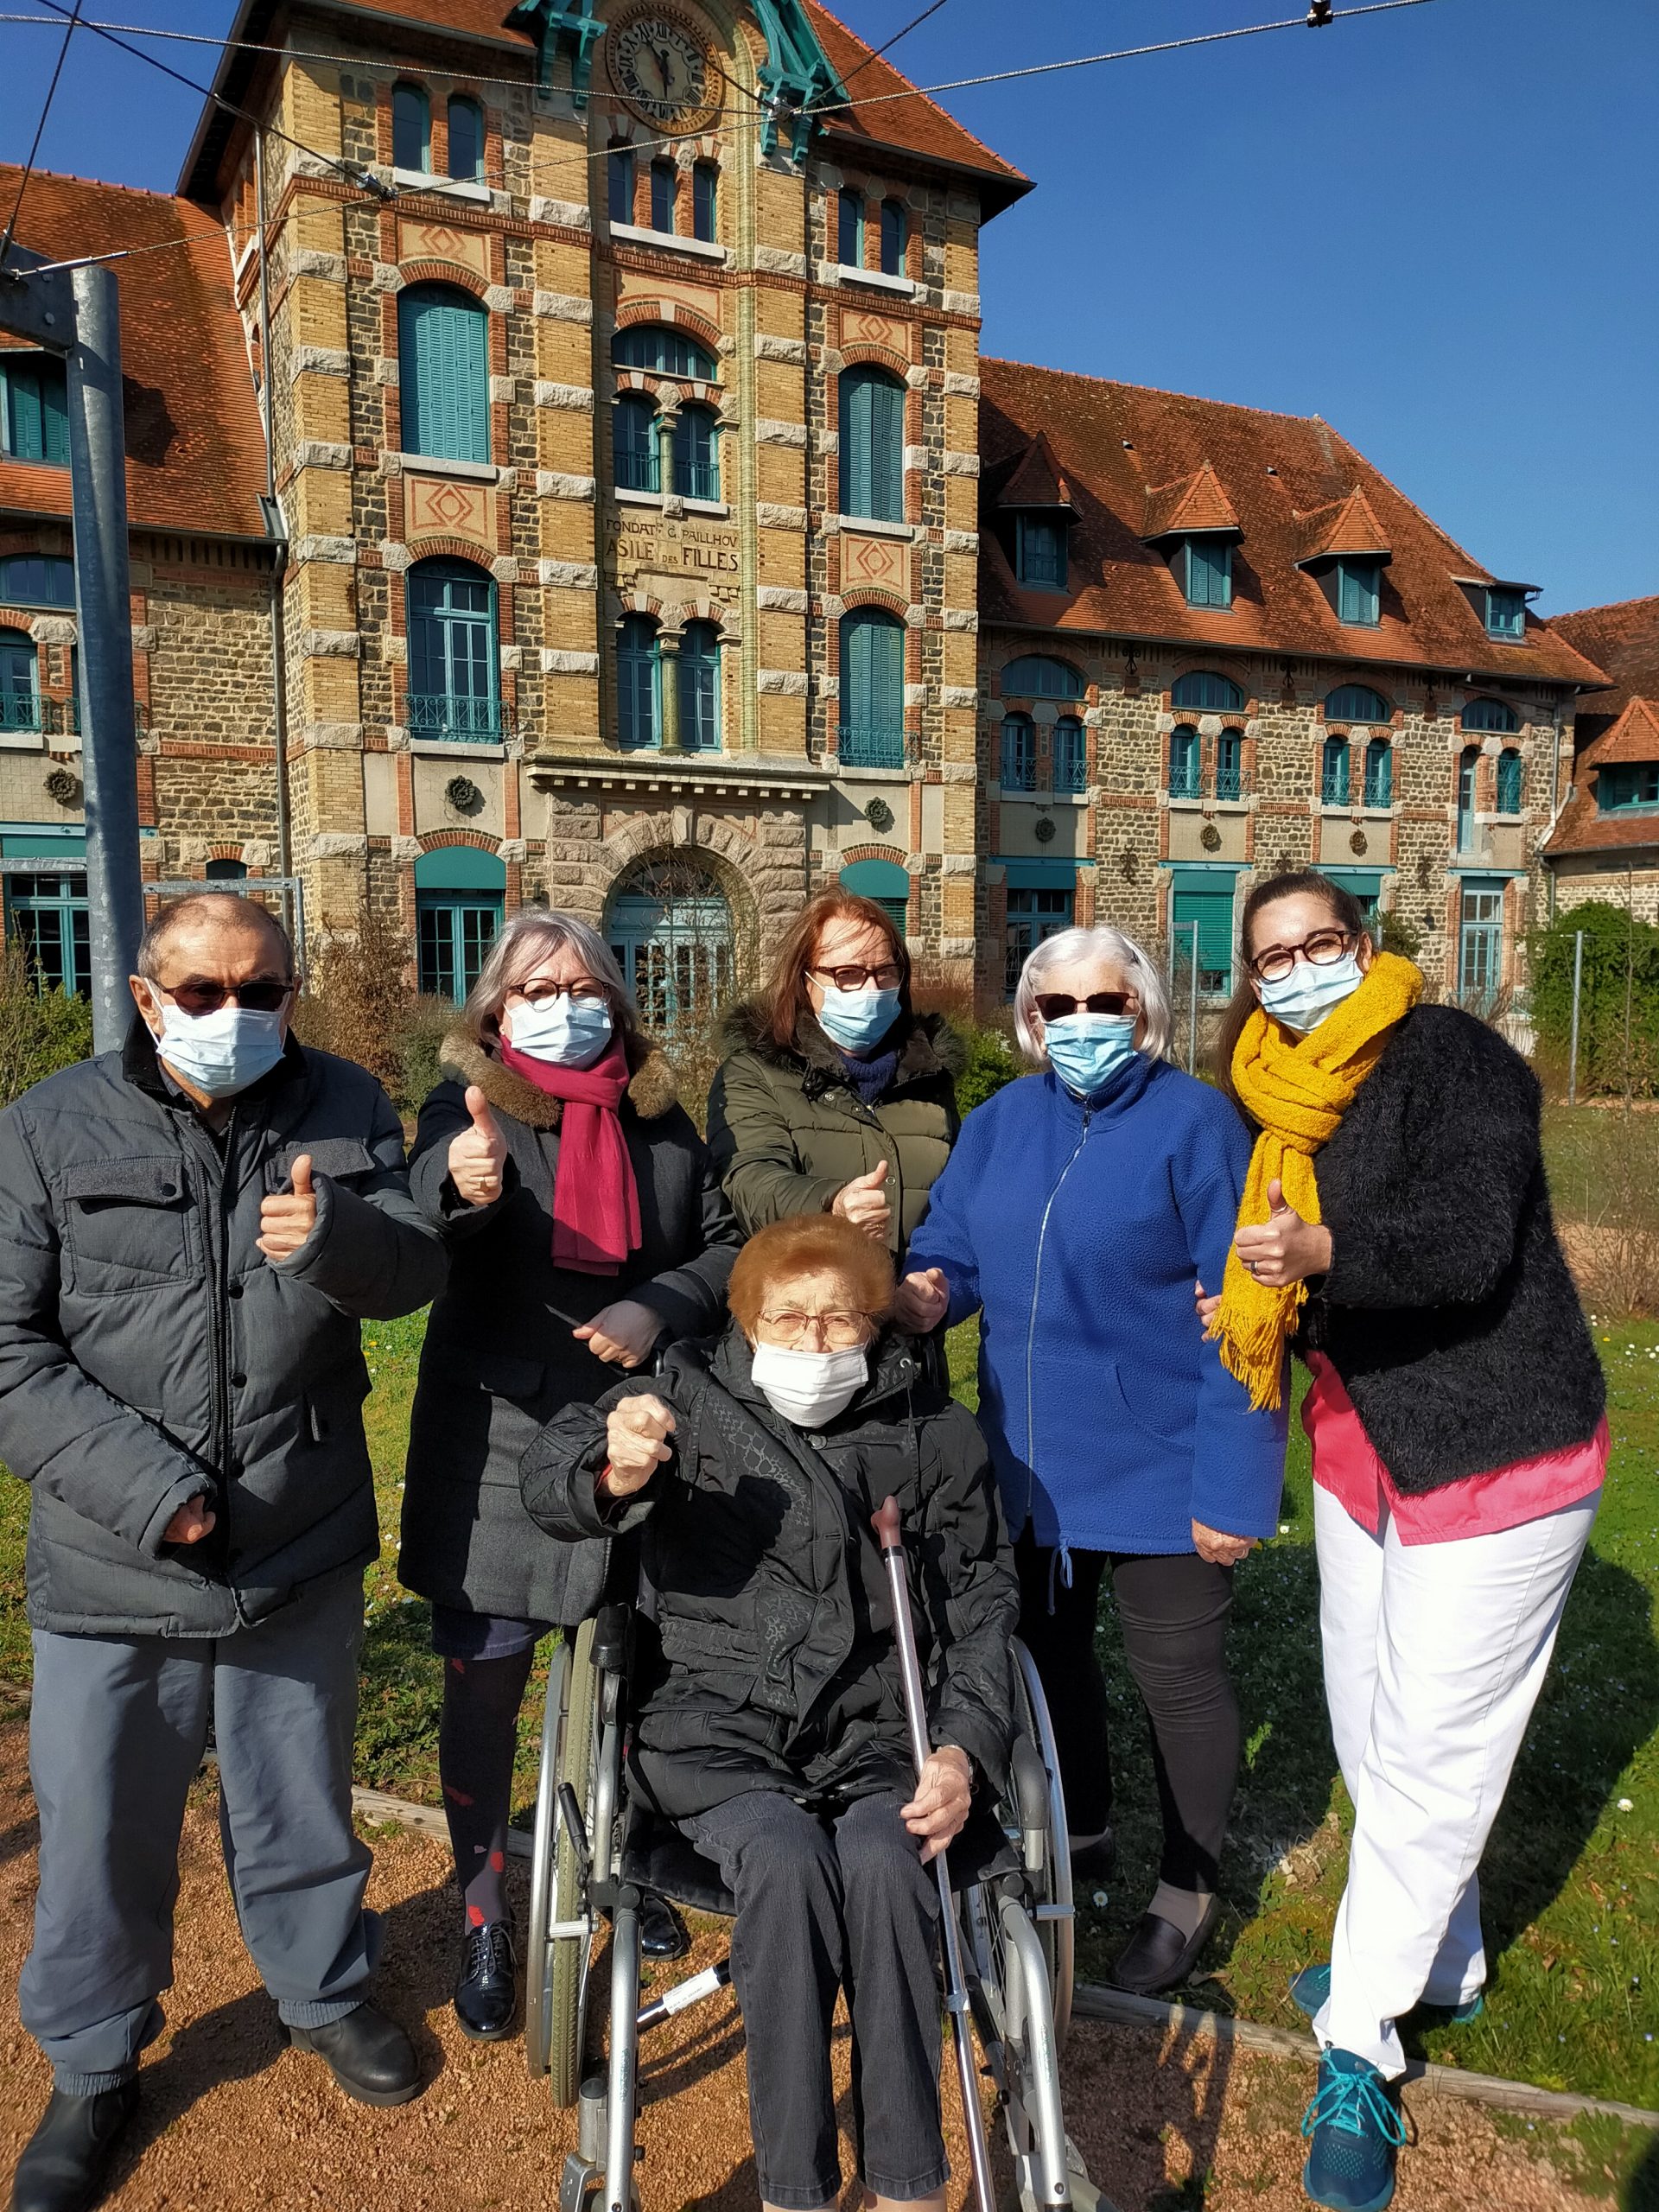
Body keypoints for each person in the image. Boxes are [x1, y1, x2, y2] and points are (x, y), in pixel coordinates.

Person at [0, 893, 447, 2212]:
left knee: (298, 1800)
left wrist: (343, 1241)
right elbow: (8, 1348)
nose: (235, 1015)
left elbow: (413, 1271)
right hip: (114, 1555)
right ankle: (93, 2064)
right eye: (204, 992)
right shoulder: (46, 1127)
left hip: (297, 1533)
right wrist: (152, 1494)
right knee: (99, 1829)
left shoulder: (348, 1102)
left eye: (263, 991)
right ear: (147, 996)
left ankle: (323, 1991)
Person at [1203, 870, 1606, 2212]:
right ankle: (1444, 1960)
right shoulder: (1274, 1087)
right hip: (1362, 1450)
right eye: (1272, 957)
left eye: (1319, 943)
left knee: (1434, 1750)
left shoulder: (1453, 1057)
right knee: (1376, 1726)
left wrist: (1322, 1252)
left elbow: (1468, 1241)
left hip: (1499, 1451)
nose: (1298, 970)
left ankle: (1358, 2043)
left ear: (1364, 944)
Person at [519, 1211, 1015, 2212]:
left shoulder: (936, 1433)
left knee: (885, 1865)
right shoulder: (682, 1399)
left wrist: (963, 1751)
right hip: (717, 1727)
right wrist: (616, 1470)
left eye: (841, 1317)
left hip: (884, 1730)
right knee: (785, 1865)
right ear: (745, 1322)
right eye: (788, 1317)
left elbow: (982, 1609)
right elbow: (549, 1477)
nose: (815, 1340)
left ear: (878, 1321)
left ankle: (909, 2185)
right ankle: (795, 2191)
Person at [894, 924, 1287, 1995]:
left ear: (1142, 1010)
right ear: (1030, 1020)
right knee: (1047, 1657)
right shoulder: (1000, 1123)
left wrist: (1236, 1486)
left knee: (1179, 1682)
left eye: (1102, 1002)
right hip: (1028, 1465)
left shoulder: (1197, 1124)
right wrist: (923, 1292)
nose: (1079, 1023)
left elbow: (1247, 1317)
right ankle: (1083, 1828)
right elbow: (954, 1250)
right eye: (1055, 1006)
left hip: (1165, 1461)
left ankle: (1188, 1888)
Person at [398, 910, 741, 2039]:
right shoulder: (470, 1105)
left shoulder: (662, 1116)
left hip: (642, 1430)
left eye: (585, 985)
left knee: (633, 1675)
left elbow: (724, 1241)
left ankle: (627, 1862)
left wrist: (663, 1302)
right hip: (499, 1439)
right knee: (487, 1688)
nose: (564, 1004)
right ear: (497, 1010)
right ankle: (484, 1911)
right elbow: (423, 1207)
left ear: (618, 1001)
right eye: (537, 989)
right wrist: (462, 1183)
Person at [706, 888, 961, 1255]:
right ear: (805, 980)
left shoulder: (930, 1076)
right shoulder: (756, 1073)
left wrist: (933, 1273)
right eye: (848, 974)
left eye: (885, 972)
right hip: (808, 1290)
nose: (871, 989)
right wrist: (832, 1205)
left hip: (912, 1290)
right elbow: (750, 1183)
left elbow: (957, 1202)